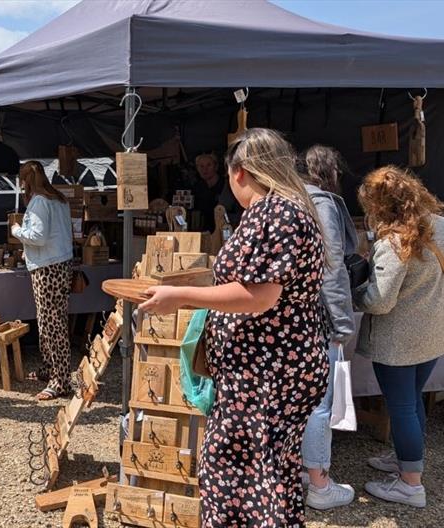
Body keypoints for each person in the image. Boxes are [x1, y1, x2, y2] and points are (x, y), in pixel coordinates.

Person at [141, 128, 328, 525]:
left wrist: (181, 297)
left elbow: (260, 295)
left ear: (239, 171)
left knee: (240, 471)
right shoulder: (287, 209)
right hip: (266, 369)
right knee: (263, 471)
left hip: (266, 372)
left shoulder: (275, 212)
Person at [353, 166, 444, 508]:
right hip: (433, 332)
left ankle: (410, 484)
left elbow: (380, 301)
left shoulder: (394, 241)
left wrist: (355, 293)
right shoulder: (440, 225)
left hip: (397, 341)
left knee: (402, 406)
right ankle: (408, 460)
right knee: (412, 400)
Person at [294, 145, 359, 509]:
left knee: (296, 399)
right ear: (331, 173)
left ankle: (301, 472)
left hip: (289, 319)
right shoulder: (322, 204)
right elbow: (332, 268)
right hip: (318, 318)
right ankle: (319, 484)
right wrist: (343, 323)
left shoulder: (286, 200)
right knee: (319, 402)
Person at [10, 161, 73, 401]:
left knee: (52, 324)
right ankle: (49, 369)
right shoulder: (59, 199)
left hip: (48, 268)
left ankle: (61, 381)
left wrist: (16, 230)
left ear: (26, 182)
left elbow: (37, 236)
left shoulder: (39, 202)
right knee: (50, 321)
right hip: (60, 263)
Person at [190, 152, 240, 231]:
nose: (205, 169)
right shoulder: (197, 188)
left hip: (226, 229)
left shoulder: (226, 185)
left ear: (216, 167)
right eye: (201, 166)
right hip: (205, 230)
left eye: (209, 165)